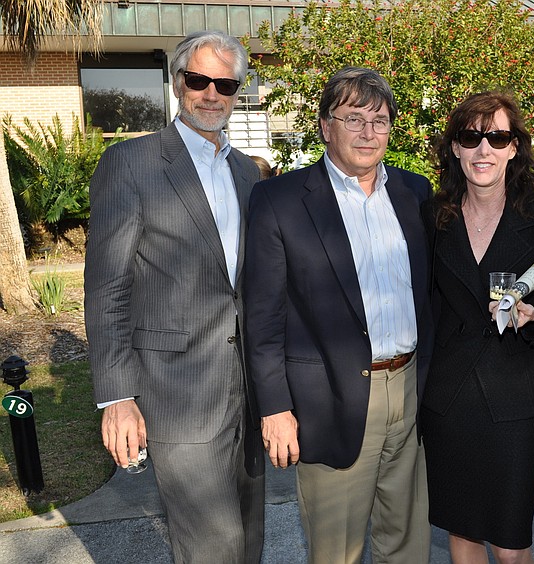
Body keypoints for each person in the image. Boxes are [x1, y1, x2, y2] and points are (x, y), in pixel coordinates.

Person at [85, 30, 265, 563]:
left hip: (248, 391)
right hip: (177, 395)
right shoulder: (131, 164)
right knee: (212, 546)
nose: (211, 94)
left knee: (249, 537)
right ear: (178, 82)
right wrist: (117, 398)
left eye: (225, 84)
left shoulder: (247, 172)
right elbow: (107, 289)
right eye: (198, 80)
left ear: (239, 91)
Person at [242, 66, 434, 563]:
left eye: (380, 120)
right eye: (354, 119)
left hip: (409, 390)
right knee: (337, 552)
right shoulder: (280, 200)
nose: (369, 133)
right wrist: (275, 409)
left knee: (407, 543)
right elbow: (262, 320)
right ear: (326, 126)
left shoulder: (415, 194)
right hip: (330, 398)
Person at [421, 91, 534, 563]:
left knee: (511, 544)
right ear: (455, 148)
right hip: (450, 398)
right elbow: (424, 298)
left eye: (498, 137)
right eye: (471, 137)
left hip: (516, 397)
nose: (483, 149)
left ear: (514, 148)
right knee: (462, 534)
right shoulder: (432, 215)